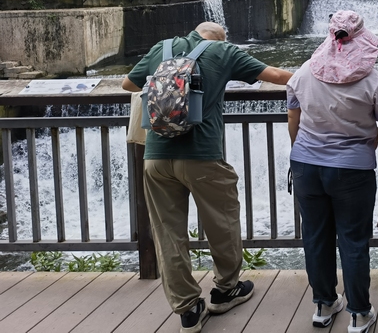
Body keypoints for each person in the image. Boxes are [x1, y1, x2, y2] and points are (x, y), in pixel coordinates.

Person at [122, 22, 292, 333]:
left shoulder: (163, 47)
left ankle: (188, 309)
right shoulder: (224, 51)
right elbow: (279, 78)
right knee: (222, 223)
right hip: (201, 156)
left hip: (156, 158)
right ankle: (225, 290)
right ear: (220, 37)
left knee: (168, 234)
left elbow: (128, 85)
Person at [285, 10, 378, 333]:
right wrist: (368, 142)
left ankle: (323, 305)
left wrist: (301, 150)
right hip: (353, 170)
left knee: (316, 236)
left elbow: (293, 118)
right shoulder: (374, 81)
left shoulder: (304, 72)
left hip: (307, 165)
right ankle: (359, 314)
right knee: (352, 240)